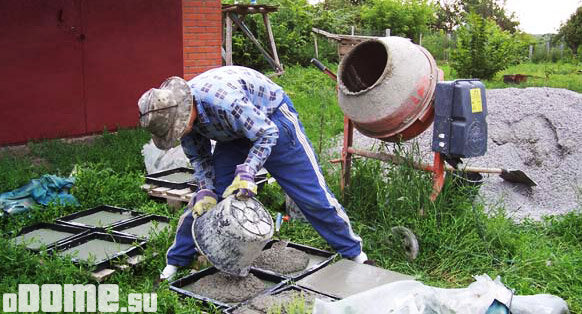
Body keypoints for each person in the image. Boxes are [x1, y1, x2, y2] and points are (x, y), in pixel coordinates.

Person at [138, 66, 369, 281]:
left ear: (185, 109)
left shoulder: (223, 101)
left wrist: (248, 171)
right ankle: (177, 260)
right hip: (233, 134)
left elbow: (267, 133)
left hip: (273, 121)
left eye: (178, 128)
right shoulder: (184, 124)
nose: (179, 133)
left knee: (311, 195)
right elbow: (200, 158)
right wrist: (205, 188)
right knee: (209, 199)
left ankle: (353, 252)